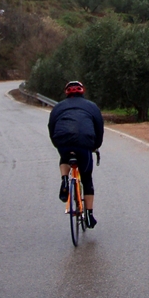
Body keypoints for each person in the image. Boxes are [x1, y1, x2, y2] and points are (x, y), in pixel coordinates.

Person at [48, 80, 103, 228]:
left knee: (64, 157)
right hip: (85, 143)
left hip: (63, 141)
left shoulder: (58, 107)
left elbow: (51, 127)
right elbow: (99, 129)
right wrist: (96, 145)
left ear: (66, 93)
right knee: (86, 178)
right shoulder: (92, 106)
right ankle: (89, 216)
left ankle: (65, 180)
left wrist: (58, 144)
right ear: (82, 91)